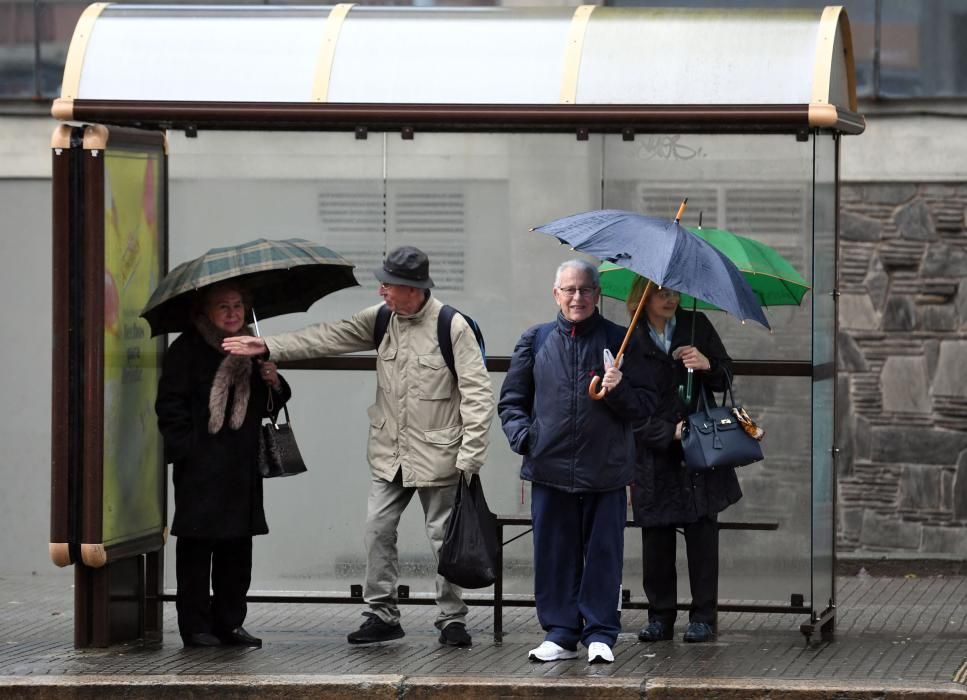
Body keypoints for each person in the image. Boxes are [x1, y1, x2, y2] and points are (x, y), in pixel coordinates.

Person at [222, 245, 495, 648]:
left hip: (442, 454)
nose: (381, 291)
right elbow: (329, 336)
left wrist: (470, 457)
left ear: (412, 288)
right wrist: (269, 346)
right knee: (377, 530)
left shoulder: (452, 326)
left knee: (444, 538)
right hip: (390, 453)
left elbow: (478, 394)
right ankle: (382, 613)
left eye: (389, 285)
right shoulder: (382, 318)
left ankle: (451, 618)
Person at [498, 259, 657, 665]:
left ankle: (601, 632)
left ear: (597, 294)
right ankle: (560, 632)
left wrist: (619, 389)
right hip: (549, 468)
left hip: (605, 470)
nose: (577, 297)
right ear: (556, 294)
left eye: (585, 289)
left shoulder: (623, 341)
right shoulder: (536, 339)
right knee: (554, 553)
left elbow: (645, 408)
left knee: (603, 553)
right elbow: (512, 401)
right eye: (569, 290)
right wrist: (525, 438)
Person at [156, 280, 292, 648]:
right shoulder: (187, 348)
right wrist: (186, 450)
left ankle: (230, 623)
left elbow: (272, 403)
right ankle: (196, 626)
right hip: (199, 465)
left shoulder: (253, 348)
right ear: (205, 312)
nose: (233, 314)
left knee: (237, 547)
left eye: (237, 306)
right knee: (198, 548)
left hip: (241, 464)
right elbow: (169, 406)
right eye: (223, 307)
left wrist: (272, 379)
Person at [626, 276, 741, 644]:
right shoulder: (629, 337)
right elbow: (624, 404)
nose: (670, 298)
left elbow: (726, 377)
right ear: (642, 297)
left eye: (674, 291)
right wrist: (663, 432)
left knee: (702, 534)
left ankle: (703, 616)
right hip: (655, 451)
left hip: (699, 447)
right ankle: (660, 617)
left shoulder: (696, 326)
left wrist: (707, 364)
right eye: (661, 292)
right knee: (656, 538)